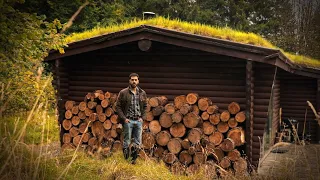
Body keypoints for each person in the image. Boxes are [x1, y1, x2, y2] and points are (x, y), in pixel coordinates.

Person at [115, 73, 147, 164]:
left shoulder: (142, 93)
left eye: (135, 80)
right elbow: (118, 107)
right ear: (129, 81)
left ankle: (133, 161)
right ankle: (126, 161)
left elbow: (145, 106)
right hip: (128, 120)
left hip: (138, 121)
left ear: (138, 81)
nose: (134, 81)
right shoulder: (123, 92)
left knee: (138, 142)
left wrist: (142, 118)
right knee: (127, 141)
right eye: (132, 79)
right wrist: (124, 118)